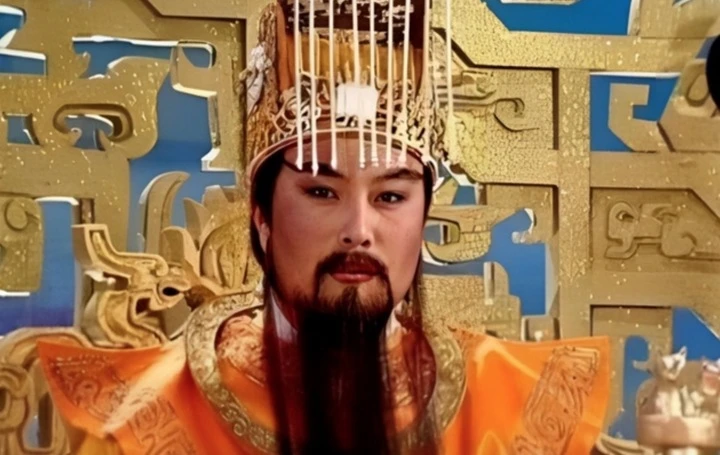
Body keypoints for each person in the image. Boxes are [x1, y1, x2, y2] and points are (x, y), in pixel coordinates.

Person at [36, 0, 611, 453]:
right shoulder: (141, 418)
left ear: (423, 218)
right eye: (321, 192)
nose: (358, 230)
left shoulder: (512, 405)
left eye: (391, 196)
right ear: (261, 216)